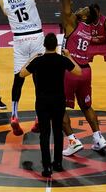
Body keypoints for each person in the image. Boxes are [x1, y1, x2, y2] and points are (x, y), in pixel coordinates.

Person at [0, 0, 59, 136]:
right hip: (35, 39)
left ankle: (14, 115)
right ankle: (37, 118)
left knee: (18, 78)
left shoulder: (3, 0)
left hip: (19, 41)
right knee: (40, 80)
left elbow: (8, 12)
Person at [61, 0, 106, 156]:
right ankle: (98, 137)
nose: (78, 9)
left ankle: (72, 141)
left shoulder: (72, 23)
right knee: (87, 105)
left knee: (58, 107)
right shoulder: (90, 30)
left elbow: (64, 0)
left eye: (82, 10)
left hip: (70, 70)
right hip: (86, 72)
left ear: (84, 16)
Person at [19, 33, 81, 177]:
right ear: (56, 46)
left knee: (45, 134)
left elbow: (21, 74)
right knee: (58, 132)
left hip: (42, 102)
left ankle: (47, 167)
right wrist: (69, 56)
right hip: (58, 101)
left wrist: (32, 58)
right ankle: (58, 163)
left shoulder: (38, 61)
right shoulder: (62, 60)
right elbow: (78, 71)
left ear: (44, 45)